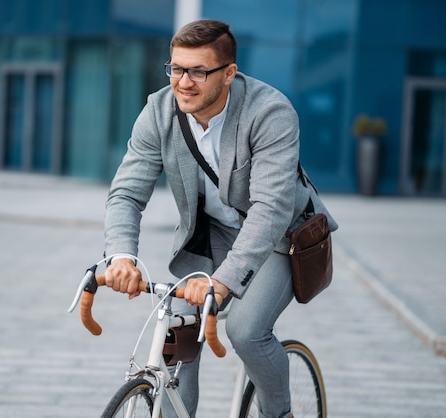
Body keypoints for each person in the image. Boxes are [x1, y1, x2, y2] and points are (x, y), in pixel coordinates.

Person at [103, 19, 337, 418]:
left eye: (198, 71)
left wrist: (225, 281)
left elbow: (271, 209)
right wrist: (121, 256)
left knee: (245, 331)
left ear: (229, 74)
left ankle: (278, 414)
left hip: (279, 239)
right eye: (176, 68)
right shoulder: (158, 112)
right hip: (208, 238)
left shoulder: (271, 112)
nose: (184, 82)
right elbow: (126, 191)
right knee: (178, 330)